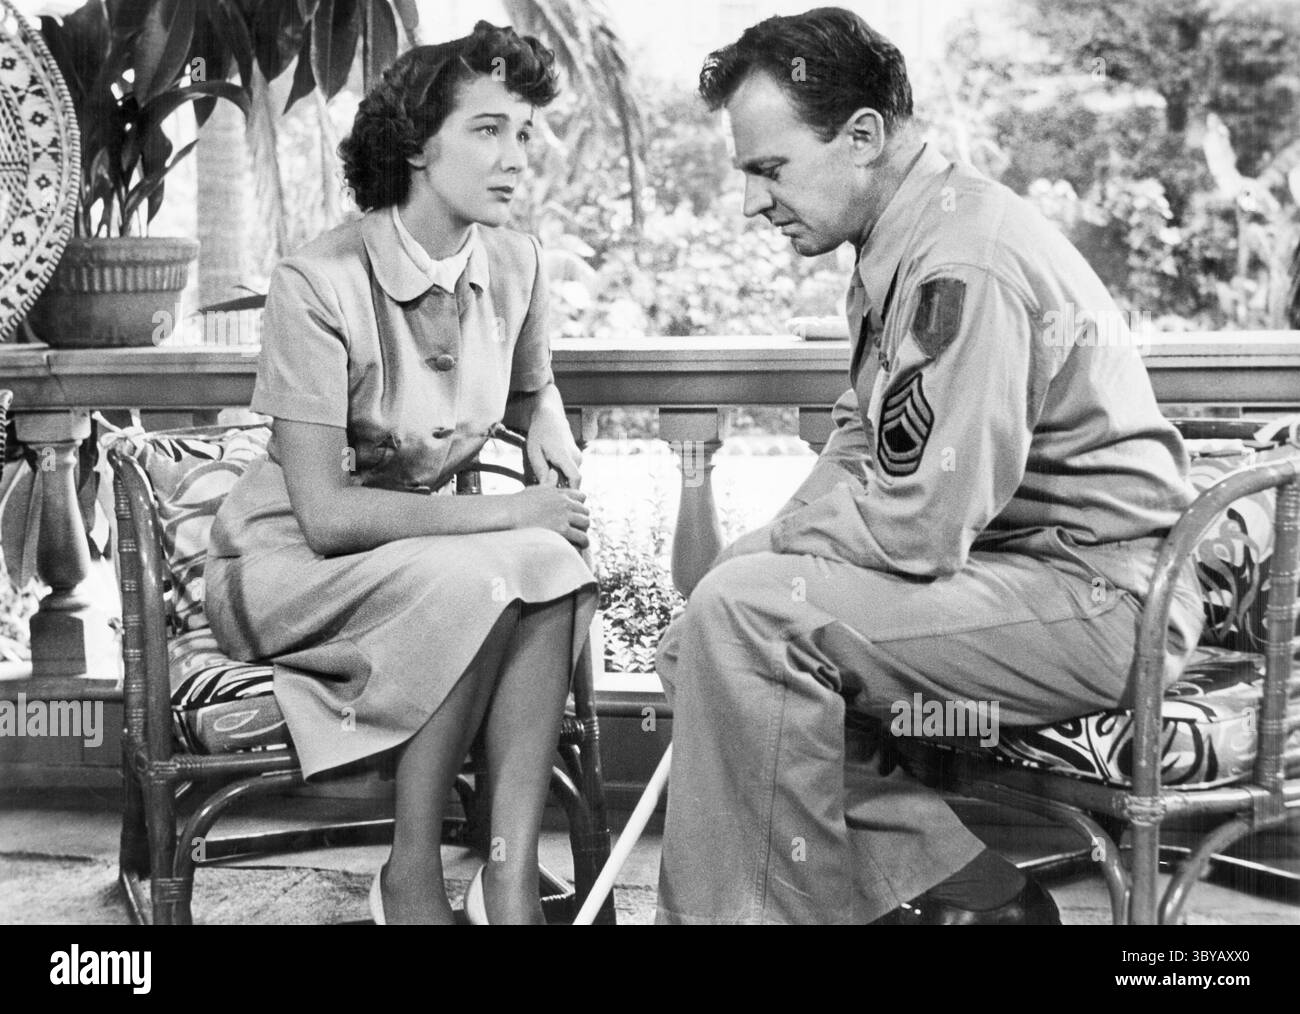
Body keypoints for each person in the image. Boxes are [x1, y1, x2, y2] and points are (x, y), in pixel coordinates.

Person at [654, 7, 1205, 925]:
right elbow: (862, 443)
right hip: (1023, 577)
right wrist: (755, 551)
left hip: (1103, 599)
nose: (754, 202)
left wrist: (766, 558)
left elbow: (918, 526)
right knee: (704, 636)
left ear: (864, 135)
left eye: (769, 169)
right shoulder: (908, 237)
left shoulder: (966, 262)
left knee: (744, 619)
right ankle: (976, 895)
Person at [205, 22, 596, 926]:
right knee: (496, 569)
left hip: (418, 556)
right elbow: (328, 515)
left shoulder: (516, 262)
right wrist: (512, 516)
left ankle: (506, 876)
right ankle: (411, 874)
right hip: (292, 563)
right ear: (419, 144)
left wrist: (549, 426)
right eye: (488, 129)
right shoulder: (316, 281)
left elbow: (536, 383)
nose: (515, 157)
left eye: (525, 132)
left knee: (552, 569)